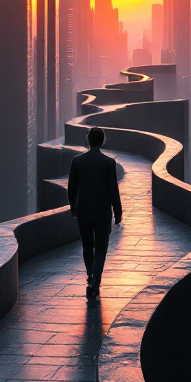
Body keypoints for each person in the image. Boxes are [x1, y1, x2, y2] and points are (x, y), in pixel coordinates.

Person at [66, 126, 123, 299]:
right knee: (101, 248)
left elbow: (71, 188)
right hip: (102, 213)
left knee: (87, 246)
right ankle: (95, 281)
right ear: (102, 141)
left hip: (84, 212)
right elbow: (113, 190)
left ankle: (90, 275)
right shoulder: (108, 163)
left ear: (88, 140)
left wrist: (73, 207)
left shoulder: (77, 161)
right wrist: (118, 212)